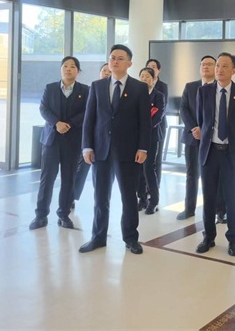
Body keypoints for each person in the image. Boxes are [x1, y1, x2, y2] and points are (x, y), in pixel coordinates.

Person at [79, 44, 152, 255]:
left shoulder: (139, 88)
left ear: (129, 63)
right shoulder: (97, 86)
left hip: (128, 151)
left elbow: (145, 122)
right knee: (100, 197)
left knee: (128, 197)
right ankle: (98, 237)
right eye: (112, 57)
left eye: (120, 58)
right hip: (101, 150)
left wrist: (143, 148)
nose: (115, 61)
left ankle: (130, 238)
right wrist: (87, 146)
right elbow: (89, 119)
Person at [195, 52, 235, 257]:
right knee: (208, 197)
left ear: (234, 70)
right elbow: (201, 119)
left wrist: (231, 137)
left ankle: (233, 239)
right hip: (209, 152)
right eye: (217, 65)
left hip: (231, 153)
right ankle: (208, 237)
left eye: (225, 66)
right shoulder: (204, 91)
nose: (219, 69)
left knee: (231, 198)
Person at [30, 56, 89, 231]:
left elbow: (87, 111)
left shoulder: (85, 90)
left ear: (78, 71)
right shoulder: (50, 88)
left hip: (72, 140)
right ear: (61, 69)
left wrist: (68, 124)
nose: (68, 69)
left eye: (72, 66)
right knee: (47, 178)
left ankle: (63, 214)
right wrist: (57, 123)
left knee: (69, 179)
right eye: (65, 66)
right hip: (51, 140)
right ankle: (41, 215)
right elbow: (44, 109)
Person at [176, 55, 216, 220]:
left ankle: (216, 211)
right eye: (203, 64)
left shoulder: (219, 87)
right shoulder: (190, 86)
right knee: (192, 175)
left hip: (213, 139)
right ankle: (189, 209)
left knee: (213, 177)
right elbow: (183, 109)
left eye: (209, 64)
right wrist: (194, 128)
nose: (205, 67)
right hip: (192, 138)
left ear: (215, 68)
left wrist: (204, 130)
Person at [72, 63, 110, 206]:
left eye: (109, 71)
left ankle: (100, 201)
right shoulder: (93, 89)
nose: (106, 73)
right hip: (88, 137)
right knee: (80, 169)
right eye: (104, 70)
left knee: (100, 175)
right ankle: (71, 198)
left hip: (104, 140)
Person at [137, 67, 166, 215]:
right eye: (142, 76)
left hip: (151, 136)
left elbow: (158, 116)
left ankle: (153, 200)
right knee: (138, 169)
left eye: (147, 76)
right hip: (136, 136)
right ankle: (141, 198)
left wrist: (144, 128)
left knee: (148, 168)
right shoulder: (136, 95)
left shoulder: (158, 96)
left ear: (154, 79)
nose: (144, 79)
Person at [146, 58, 168, 191]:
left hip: (158, 125)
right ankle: (143, 188)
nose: (151, 68)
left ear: (158, 70)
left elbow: (162, 109)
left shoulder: (162, 86)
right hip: (143, 128)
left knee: (156, 157)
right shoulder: (140, 85)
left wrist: (151, 123)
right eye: (148, 66)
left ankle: (155, 187)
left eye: (154, 66)